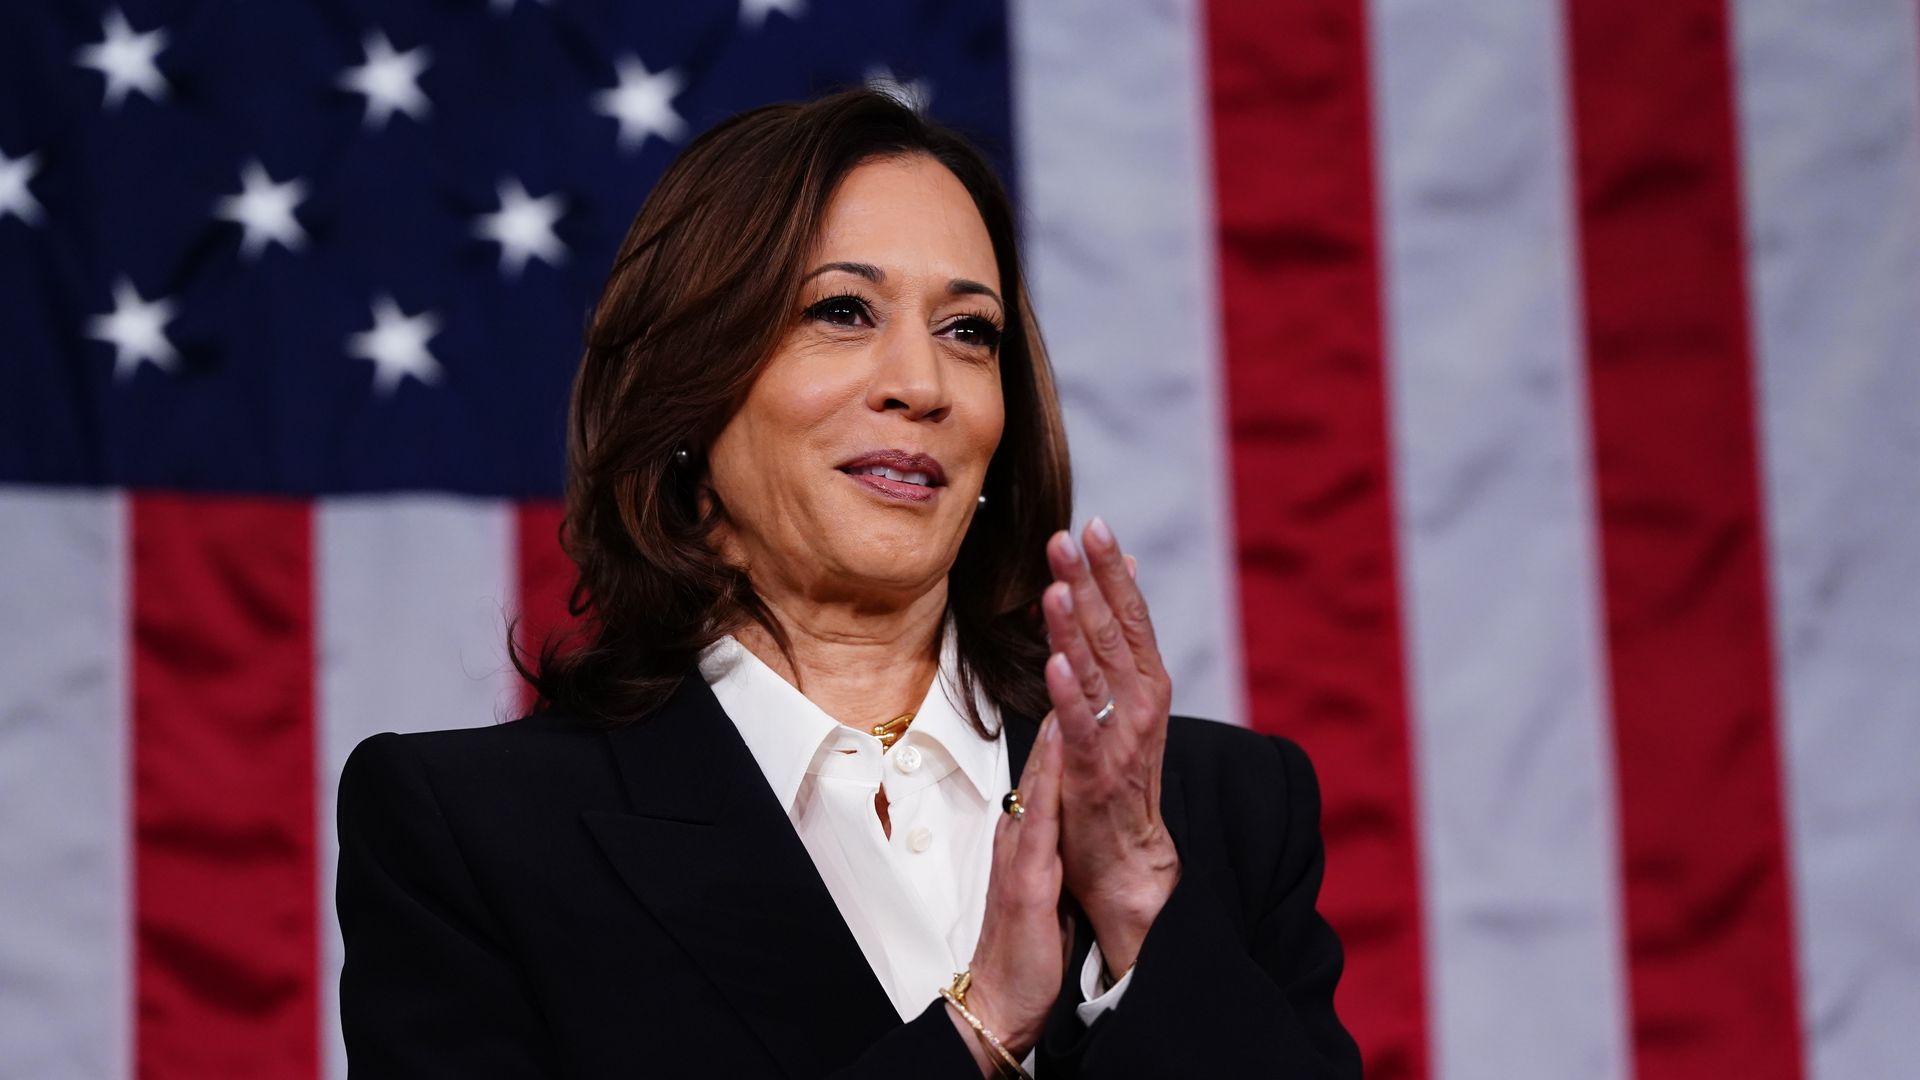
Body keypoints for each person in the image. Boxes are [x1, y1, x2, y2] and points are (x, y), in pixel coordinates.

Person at [335, 88, 1360, 1079]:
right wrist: (982, 1028)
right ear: (689, 390)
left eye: (969, 331)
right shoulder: (473, 836)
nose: (921, 384)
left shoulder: (1219, 814)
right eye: (842, 310)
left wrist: (1139, 914)